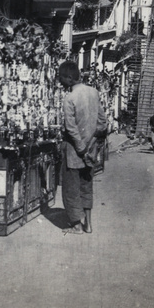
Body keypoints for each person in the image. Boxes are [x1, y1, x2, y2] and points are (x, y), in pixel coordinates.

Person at [58, 61, 107, 234]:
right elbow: (103, 122)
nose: (60, 82)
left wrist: (81, 148)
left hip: (74, 151)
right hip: (91, 150)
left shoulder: (69, 98)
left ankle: (76, 225)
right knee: (86, 185)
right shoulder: (93, 92)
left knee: (71, 188)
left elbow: (71, 128)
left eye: (62, 78)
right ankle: (89, 224)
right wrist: (91, 145)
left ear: (70, 78)